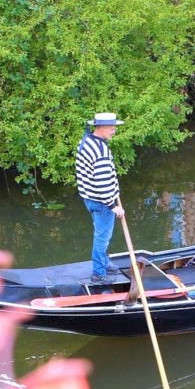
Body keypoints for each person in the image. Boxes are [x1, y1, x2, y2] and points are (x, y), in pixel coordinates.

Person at [76, 112, 126, 283]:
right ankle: (98, 273)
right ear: (101, 128)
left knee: (101, 234)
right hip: (102, 202)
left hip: (89, 198)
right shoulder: (101, 152)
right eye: (112, 128)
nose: (114, 131)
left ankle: (104, 262)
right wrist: (113, 206)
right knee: (102, 237)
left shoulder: (86, 141)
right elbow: (103, 183)